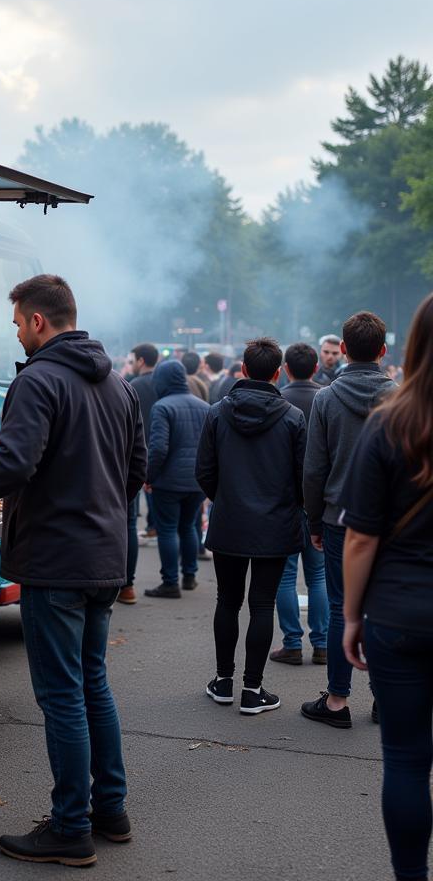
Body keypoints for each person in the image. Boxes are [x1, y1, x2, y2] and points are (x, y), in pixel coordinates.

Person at [0, 274, 146, 868]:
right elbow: (130, 470)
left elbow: (18, 465)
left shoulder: (38, 378)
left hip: (56, 562)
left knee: (63, 696)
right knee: (92, 684)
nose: (17, 333)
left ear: (39, 322)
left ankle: (71, 827)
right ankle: (111, 812)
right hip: (103, 557)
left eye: (18, 323)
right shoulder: (118, 386)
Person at [340, 294, 433, 881]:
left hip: (400, 614)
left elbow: (361, 539)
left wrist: (353, 618)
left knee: (404, 760)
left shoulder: (390, 424)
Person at [196, 337, 307, 715]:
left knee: (227, 601)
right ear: (278, 373)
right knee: (263, 604)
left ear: (243, 369)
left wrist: (224, 497)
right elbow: (302, 477)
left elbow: (204, 472)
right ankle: (252, 689)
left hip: (230, 520)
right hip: (275, 523)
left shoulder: (217, 413)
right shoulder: (293, 417)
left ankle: (223, 680)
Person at [301, 312, 395, 728]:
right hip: (392, 519)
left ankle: (337, 701)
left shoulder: (326, 398)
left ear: (343, 347)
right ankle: (386, 697)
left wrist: (314, 520)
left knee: (342, 604)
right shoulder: (400, 398)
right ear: (383, 350)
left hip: (339, 515)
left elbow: (314, 469)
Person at [270, 342, 329, 666]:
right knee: (318, 576)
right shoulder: (328, 397)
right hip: (320, 500)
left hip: (286, 501)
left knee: (286, 576)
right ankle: (321, 643)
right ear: (316, 365)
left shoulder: (278, 400)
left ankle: (292, 642)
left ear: (286, 369)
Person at [143, 360, 209, 598]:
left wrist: (149, 476)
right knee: (189, 526)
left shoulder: (162, 407)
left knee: (168, 529)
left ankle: (170, 582)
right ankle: (190, 576)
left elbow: (158, 448)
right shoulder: (204, 406)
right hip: (197, 481)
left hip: (169, 482)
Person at [120, 343, 160, 603]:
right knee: (131, 524)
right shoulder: (164, 385)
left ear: (141, 360)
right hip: (149, 457)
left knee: (124, 524)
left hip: (130, 457)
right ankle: (128, 586)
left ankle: (121, 584)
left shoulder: (131, 386)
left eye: (132, 358)